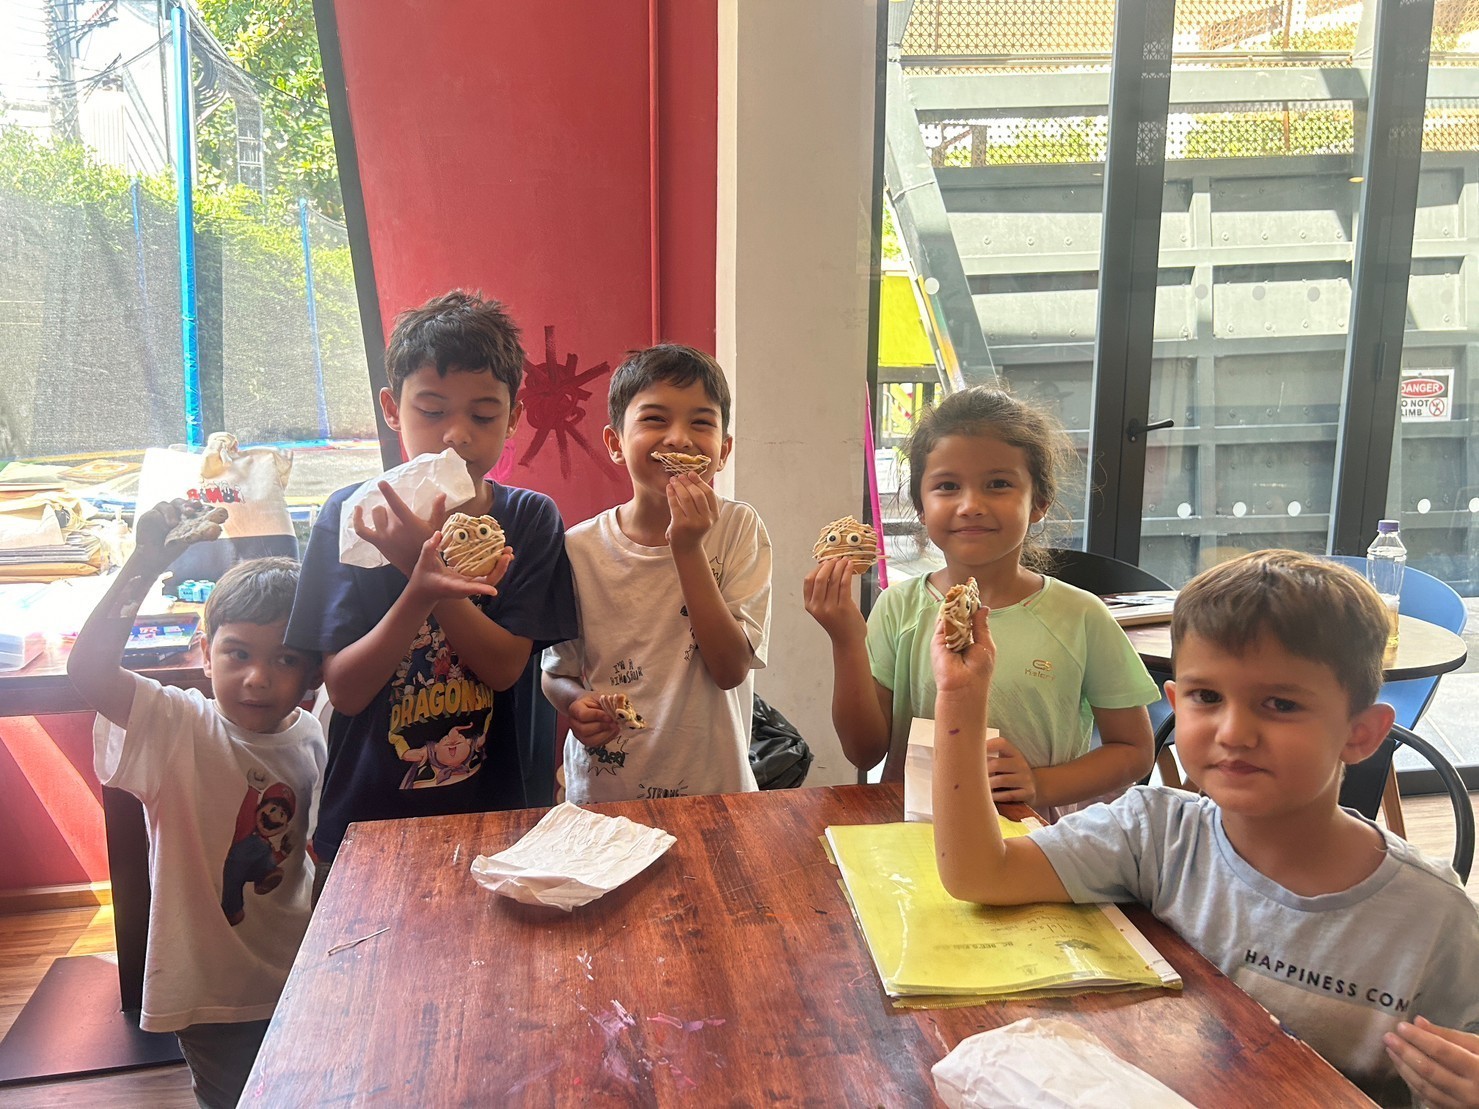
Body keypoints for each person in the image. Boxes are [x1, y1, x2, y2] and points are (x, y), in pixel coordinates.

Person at [930, 550, 1479, 1105]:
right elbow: (980, 873)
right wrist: (960, 696)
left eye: (1280, 703)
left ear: (1361, 734)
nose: (1233, 732)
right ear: (1176, 703)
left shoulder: (1436, 920)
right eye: (1207, 697)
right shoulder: (1154, 834)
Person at [286, 290, 577, 886]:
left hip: (500, 820)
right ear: (392, 408)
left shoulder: (530, 520)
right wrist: (415, 589)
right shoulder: (353, 517)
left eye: (483, 415)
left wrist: (430, 580)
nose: (455, 435)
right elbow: (345, 690)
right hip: (370, 827)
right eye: (432, 409)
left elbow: (504, 669)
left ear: (514, 417)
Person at [69, 506, 325, 1109]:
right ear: (206, 653)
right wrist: (145, 562)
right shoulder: (178, 725)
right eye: (238, 654)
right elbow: (90, 672)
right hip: (211, 992)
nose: (258, 677)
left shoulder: (311, 732)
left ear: (312, 671)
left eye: (285, 659)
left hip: (298, 972)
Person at [805, 386, 1157, 813]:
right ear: (920, 506)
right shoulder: (898, 608)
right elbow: (864, 752)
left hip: (1035, 838)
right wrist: (845, 640)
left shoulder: (1080, 616)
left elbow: (1134, 750)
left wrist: (1038, 784)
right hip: (914, 835)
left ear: (1039, 502)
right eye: (947, 486)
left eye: (998, 484)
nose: (970, 505)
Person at [541, 343, 771, 803]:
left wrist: (687, 548)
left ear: (723, 451)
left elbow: (730, 669)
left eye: (701, 423)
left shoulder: (738, 528)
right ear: (615, 443)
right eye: (655, 419)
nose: (679, 439)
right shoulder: (577, 549)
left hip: (713, 791)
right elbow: (555, 672)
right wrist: (573, 702)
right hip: (605, 793)